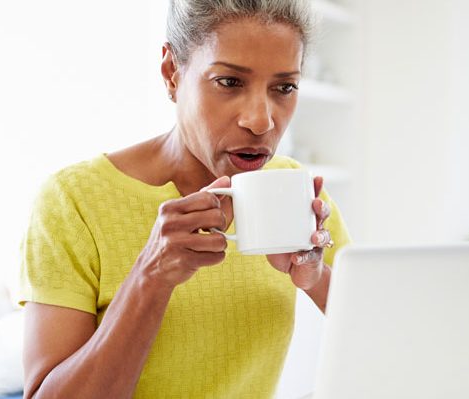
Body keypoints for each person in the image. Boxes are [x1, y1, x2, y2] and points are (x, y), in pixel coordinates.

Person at [19, 1, 351, 397]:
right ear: (171, 73)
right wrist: (151, 277)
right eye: (229, 82)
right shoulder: (73, 201)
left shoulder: (294, 192)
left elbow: (396, 342)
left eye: (284, 87)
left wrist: (315, 280)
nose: (261, 120)